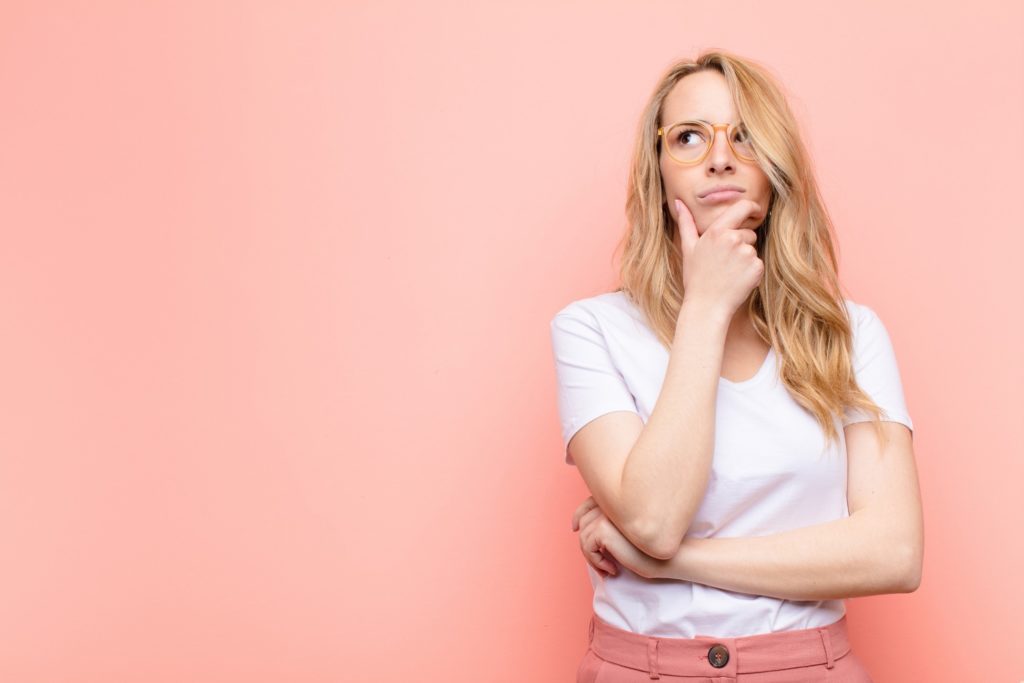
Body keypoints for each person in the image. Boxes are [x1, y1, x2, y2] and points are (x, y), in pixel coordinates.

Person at [548, 50, 923, 683]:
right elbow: (653, 519)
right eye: (689, 137)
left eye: (744, 136)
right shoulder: (590, 329)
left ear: (776, 168)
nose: (719, 158)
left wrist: (676, 564)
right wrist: (706, 306)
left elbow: (895, 553)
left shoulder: (850, 333)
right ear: (657, 170)